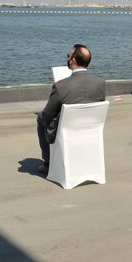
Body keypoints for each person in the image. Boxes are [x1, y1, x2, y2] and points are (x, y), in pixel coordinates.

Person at [37, 44, 106, 174]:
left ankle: (48, 162)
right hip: (90, 130)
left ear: (73, 60)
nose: (68, 58)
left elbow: (47, 115)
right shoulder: (100, 83)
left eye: (68, 56)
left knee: (41, 118)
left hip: (68, 131)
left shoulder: (60, 86)